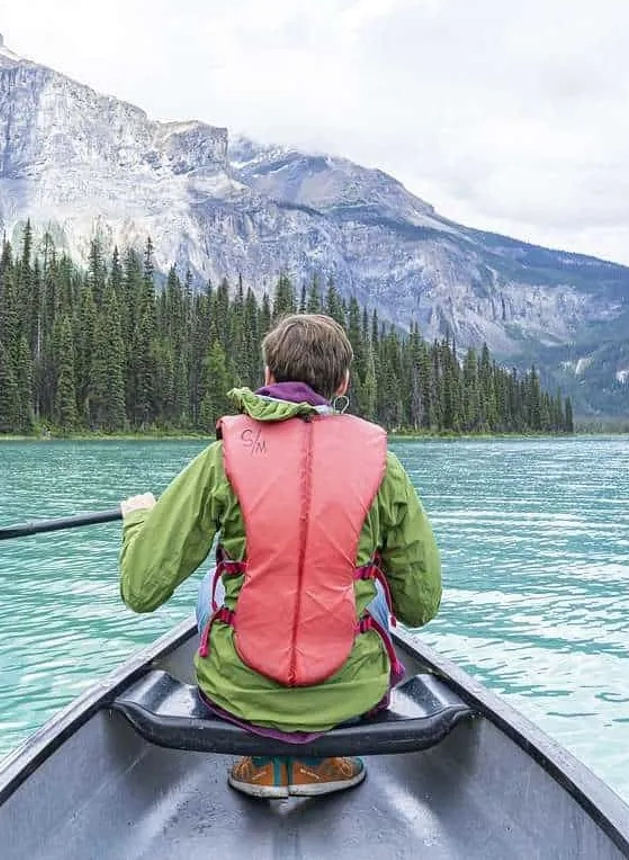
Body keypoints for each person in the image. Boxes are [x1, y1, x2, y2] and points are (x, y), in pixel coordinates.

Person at [118, 313, 442, 799]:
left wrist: (140, 519)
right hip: (351, 697)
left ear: (268, 374)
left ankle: (264, 758)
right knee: (371, 599)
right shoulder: (384, 468)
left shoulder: (220, 459)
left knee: (211, 597)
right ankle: (323, 759)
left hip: (236, 695)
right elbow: (420, 607)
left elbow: (140, 589)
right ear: (342, 383)